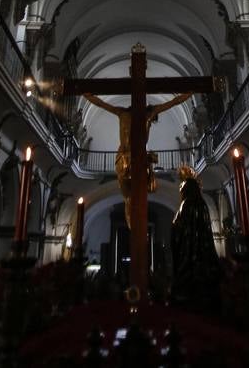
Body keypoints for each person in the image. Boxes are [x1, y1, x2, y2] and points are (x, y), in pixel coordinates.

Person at [84, 91, 192, 228]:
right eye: (152, 123)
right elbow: (173, 103)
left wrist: (86, 95)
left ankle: (135, 224)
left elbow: (101, 103)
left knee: (132, 195)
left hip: (132, 158)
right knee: (131, 195)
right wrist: (189, 93)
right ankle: (135, 224)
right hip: (128, 158)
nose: (150, 124)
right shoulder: (147, 114)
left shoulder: (124, 113)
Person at [170, 172, 221, 312]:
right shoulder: (202, 203)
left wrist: (175, 227)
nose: (180, 190)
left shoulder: (186, 204)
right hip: (202, 249)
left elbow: (181, 227)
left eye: (182, 188)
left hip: (188, 249)